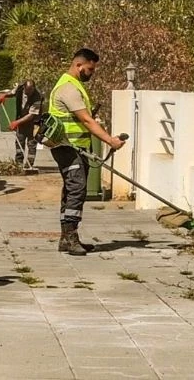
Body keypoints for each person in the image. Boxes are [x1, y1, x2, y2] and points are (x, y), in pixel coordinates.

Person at [48, 48, 125, 256]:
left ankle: (67, 237)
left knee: (72, 189)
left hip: (74, 147)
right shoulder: (69, 88)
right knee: (77, 188)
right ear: (78, 65)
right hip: (68, 147)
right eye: (90, 69)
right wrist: (109, 140)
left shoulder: (74, 86)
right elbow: (86, 120)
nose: (91, 73)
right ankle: (70, 237)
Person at [0, 80, 43, 167]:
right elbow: (12, 92)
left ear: (34, 88)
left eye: (31, 91)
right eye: (27, 91)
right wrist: (4, 95)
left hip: (34, 122)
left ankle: (29, 165)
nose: (29, 93)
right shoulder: (20, 88)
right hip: (22, 119)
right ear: (24, 88)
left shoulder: (37, 97)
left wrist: (16, 122)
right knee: (19, 141)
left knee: (31, 143)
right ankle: (19, 163)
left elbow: (31, 115)